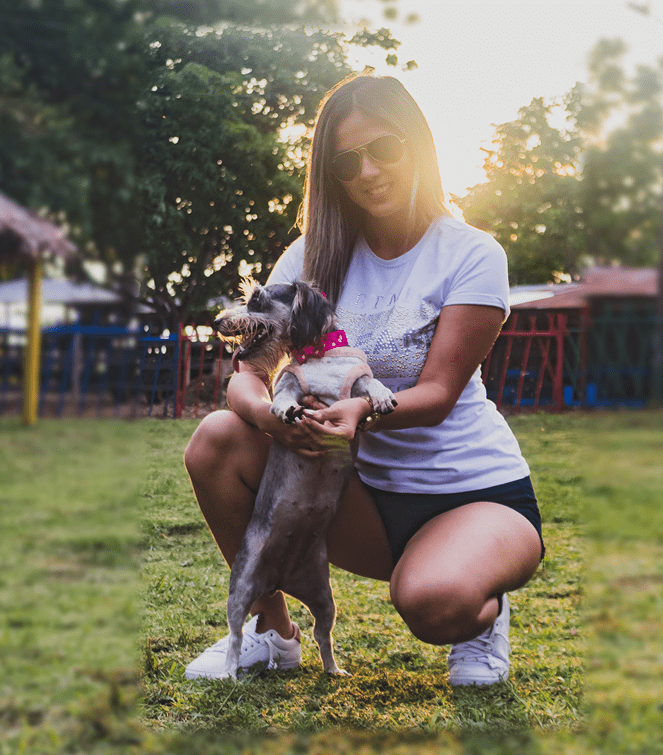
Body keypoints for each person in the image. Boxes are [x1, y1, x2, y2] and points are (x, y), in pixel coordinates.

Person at [183, 72, 544, 686]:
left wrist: (361, 412)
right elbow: (246, 377)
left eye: (384, 149)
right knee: (218, 438)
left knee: (435, 605)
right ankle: (271, 635)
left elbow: (435, 396)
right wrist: (271, 416)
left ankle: (481, 607)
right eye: (347, 162)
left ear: (419, 146)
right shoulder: (307, 259)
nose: (367, 172)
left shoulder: (472, 252)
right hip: (361, 499)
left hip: (472, 493)